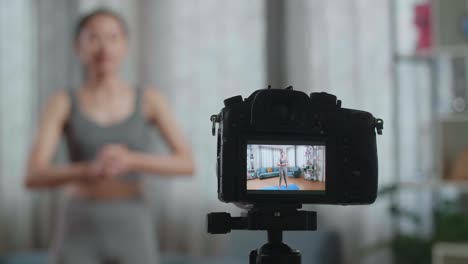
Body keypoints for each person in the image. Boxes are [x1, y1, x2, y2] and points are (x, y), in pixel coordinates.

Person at [24, 9, 195, 264]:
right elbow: (34, 175)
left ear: (125, 45)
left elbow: (187, 163)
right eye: (93, 38)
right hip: (79, 223)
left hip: (132, 221)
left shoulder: (150, 100)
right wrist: (89, 169)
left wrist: (132, 161)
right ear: (77, 47)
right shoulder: (61, 102)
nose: (104, 47)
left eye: (113, 37)